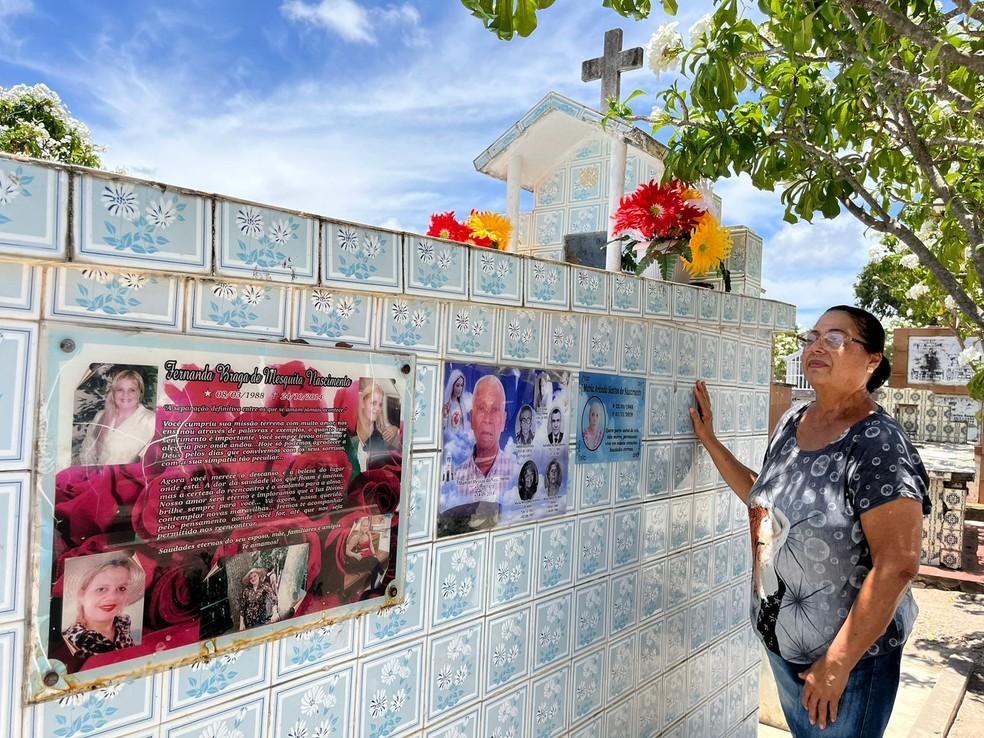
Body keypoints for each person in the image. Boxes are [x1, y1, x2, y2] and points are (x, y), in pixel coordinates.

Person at [690, 305, 929, 737]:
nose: (817, 346)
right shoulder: (792, 420)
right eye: (813, 337)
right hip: (787, 652)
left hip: (847, 669)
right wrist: (710, 442)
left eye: (835, 339)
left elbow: (898, 564)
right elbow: (765, 501)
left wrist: (835, 666)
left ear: (871, 359)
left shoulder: (878, 443)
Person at [448, 374, 519, 529]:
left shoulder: (515, 471)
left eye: (494, 410)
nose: (487, 418)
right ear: (472, 418)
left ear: (503, 420)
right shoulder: (457, 476)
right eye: (481, 408)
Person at [62, 555, 145, 658]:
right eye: (101, 589)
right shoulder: (70, 641)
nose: (112, 597)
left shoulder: (126, 630)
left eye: (122, 588)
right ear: (81, 595)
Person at [78, 369, 156, 465]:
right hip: (96, 478)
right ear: (113, 393)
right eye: (120, 390)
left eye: (132, 390)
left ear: (140, 392)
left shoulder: (151, 421)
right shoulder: (100, 416)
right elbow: (87, 451)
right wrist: (90, 475)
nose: (125, 394)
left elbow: (153, 463)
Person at [355, 381, 400, 471]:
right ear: (363, 403)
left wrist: (395, 429)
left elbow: (398, 433)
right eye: (373, 403)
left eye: (380, 404)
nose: (378, 409)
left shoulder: (380, 426)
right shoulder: (353, 429)